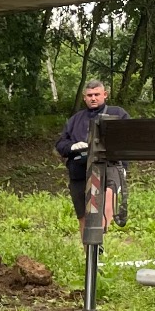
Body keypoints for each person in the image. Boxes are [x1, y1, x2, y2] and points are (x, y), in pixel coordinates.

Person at [57, 79, 129, 226]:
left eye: (97, 94)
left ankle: (99, 237)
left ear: (105, 94)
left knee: (109, 193)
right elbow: (60, 144)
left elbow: (130, 138)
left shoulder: (118, 113)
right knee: (83, 216)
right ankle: (88, 247)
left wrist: (124, 167)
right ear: (84, 97)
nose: (93, 98)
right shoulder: (75, 120)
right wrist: (73, 146)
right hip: (80, 169)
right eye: (90, 95)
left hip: (110, 165)